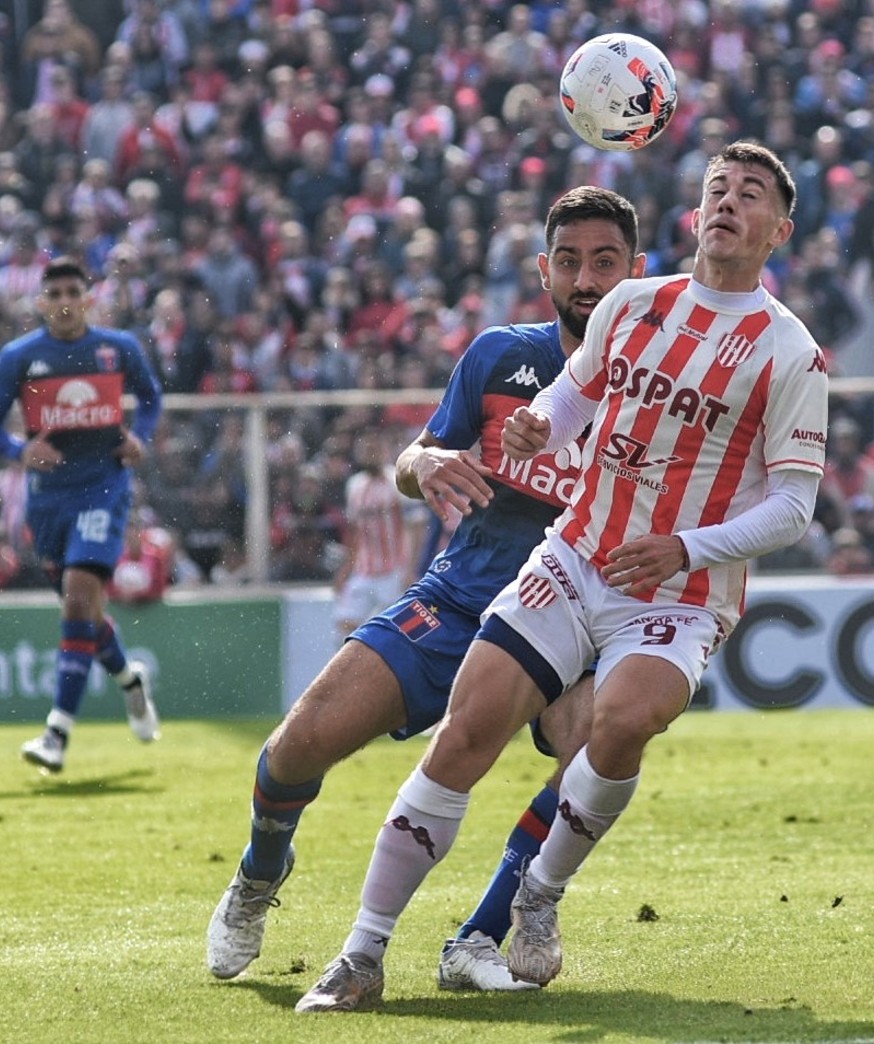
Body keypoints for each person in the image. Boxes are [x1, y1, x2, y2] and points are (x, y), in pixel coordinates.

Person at [295, 142, 829, 1013]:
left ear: (779, 229)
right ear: (696, 215)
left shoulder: (789, 353)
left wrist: (686, 548)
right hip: (575, 557)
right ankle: (361, 954)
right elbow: (574, 395)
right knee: (463, 739)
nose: (728, 202)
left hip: (678, 591)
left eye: (751, 194)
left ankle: (537, 893)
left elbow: (795, 508)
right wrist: (538, 425)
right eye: (716, 189)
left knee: (620, 723)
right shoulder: (631, 305)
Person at [205, 186, 645, 993]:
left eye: (606, 262)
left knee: (596, 745)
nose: (588, 279)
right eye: (572, 262)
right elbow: (414, 461)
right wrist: (425, 464)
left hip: (577, 618)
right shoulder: (497, 356)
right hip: (460, 600)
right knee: (295, 747)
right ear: (545, 270)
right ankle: (259, 874)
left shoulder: (659, 385)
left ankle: (479, 934)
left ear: (636, 271)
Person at [0, 256, 164, 771]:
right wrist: (20, 450)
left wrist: (139, 438)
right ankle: (130, 679)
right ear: (41, 302)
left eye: (71, 293)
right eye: (53, 293)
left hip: (104, 487)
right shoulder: (19, 357)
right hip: (47, 500)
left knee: (79, 598)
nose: (62, 302)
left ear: (88, 298)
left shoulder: (117, 348)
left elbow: (150, 399)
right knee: (84, 609)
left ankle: (56, 733)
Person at [331, 428, 421, 638]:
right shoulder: (355, 486)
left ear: (384, 451)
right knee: (344, 625)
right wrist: (346, 568)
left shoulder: (397, 481)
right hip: (364, 571)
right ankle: (351, 670)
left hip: (394, 571)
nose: (370, 453)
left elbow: (416, 526)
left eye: (375, 449)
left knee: (399, 631)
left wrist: (411, 568)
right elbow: (354, 532)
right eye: (365, 449)